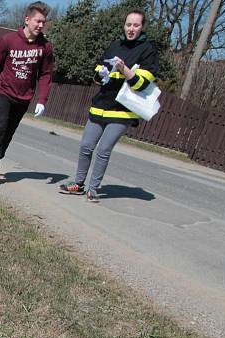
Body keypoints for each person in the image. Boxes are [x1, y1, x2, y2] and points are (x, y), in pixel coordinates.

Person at [59, 11, 158, 202]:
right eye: (128, 24)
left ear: (142, 27)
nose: (131, 29)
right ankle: (78, 184)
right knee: (86, 145)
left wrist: (125, 70)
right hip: (101, 104)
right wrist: (101, 74)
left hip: (123, 109)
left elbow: (143, 84)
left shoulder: (148, 50)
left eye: (136, 25)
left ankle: (93, 189)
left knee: (103, 149)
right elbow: (98, 73)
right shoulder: (114, 45)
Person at [0, 2, 54, 188]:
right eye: (38, 21)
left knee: (8, 133)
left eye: (43, 22)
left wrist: (42, 100)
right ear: (27, 20)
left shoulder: (45, 47)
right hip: (3, 92)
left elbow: (46, 74)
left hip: (24, 97)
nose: (40, 26)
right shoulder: (8, 40)